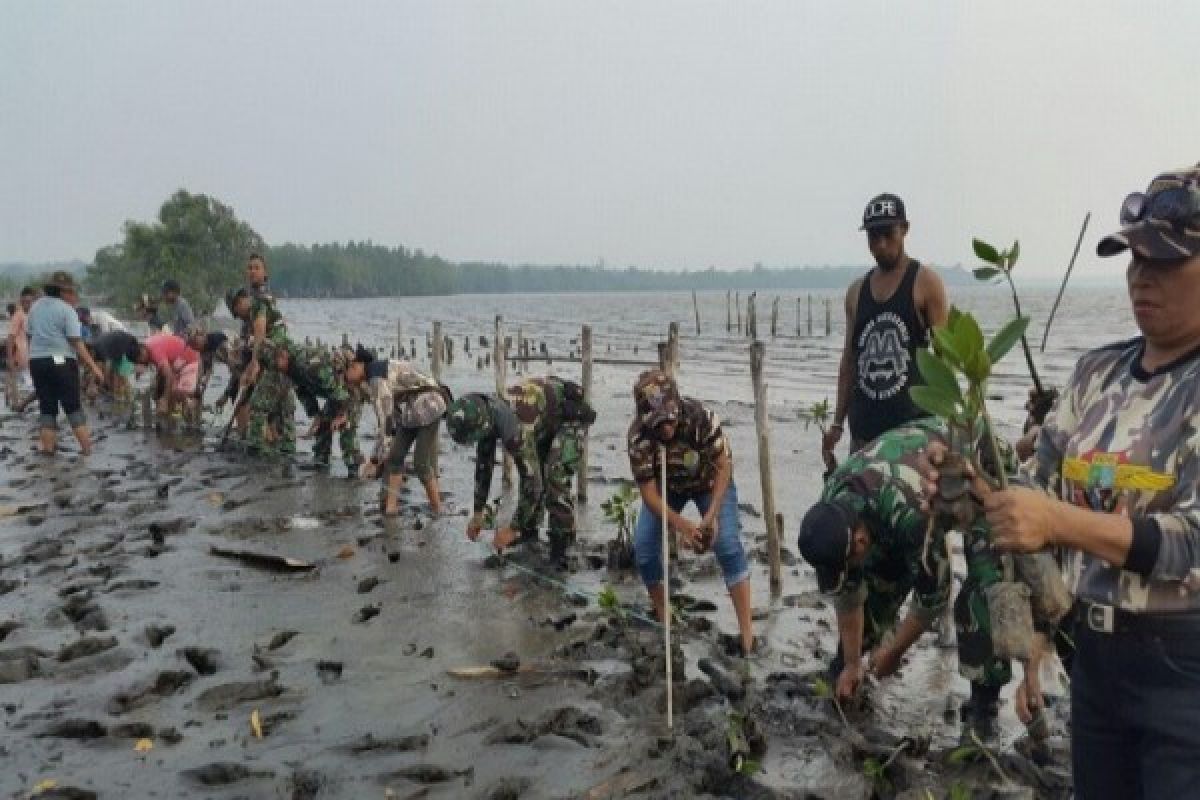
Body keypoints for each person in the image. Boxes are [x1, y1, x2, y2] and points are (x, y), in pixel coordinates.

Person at [921, 163, 1200, 798]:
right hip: (1095, 661)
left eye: (1165, 261)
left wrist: (1059, 522)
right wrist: (967, 485)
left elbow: (1192, 540)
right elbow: (1030, 490)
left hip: (1184, 668)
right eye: (1134, 258)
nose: (1140, 276)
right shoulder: (1096, 374)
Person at [799, 419, 1062, 737]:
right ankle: (852, 670)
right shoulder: (834, 504)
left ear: (860, 541)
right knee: (874, 585)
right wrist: (853, 661)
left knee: (982, 589)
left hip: (978, 469)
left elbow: (932, 598)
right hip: (910, 478)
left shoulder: (909, 515)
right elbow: (850, 591)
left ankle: (983, 706)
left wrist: (895, 653)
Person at [626, 370, 756, 656]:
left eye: (669, 419)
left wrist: (710, 518)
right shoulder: (639, 438)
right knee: (644, 549)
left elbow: (724, 465)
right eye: (657, 423)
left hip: (709, 483)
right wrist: (682, 525)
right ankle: (663, 614)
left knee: (727, 546)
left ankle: (748, 635)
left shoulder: (701, 419)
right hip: (668, 488)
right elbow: (649, 495)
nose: (666, 427)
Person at [824, 193, 949, 457]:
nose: (880, 244)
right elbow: (849, 360)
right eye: (873, 236)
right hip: (864, 431)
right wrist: (837, 423)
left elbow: (944, 360)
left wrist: (948, 423)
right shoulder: (857, 292)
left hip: (912, 431)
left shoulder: (926, 283)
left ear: (904, 229)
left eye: (887, 234)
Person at [445, 376, 595, 568]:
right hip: (544, 420)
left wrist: (512, 528)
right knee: (535, 470)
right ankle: (529, 533)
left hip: (570, 416)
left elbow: (534, 484)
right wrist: (478, 513)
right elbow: (484, 466)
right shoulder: (487, 415)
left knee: (554, 478)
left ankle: (561, 547)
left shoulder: (515, 426)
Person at [345, 347, 449, 515]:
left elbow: (385, 422)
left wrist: (374, 461)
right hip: (410, 411)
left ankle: (438, 509)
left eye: (348, 370)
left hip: (429, 406)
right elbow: (389, 421)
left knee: (421, 463)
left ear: (358, 366)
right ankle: (391, 509)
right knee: (395, 458)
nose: (346, 377)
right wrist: (378, 456)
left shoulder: (376, 379)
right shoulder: (374, 374)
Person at [25, 271, 104, 455]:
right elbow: (76, 342)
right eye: (70, 291)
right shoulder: (66, 310)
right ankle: (86, 451)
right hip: (60, 361)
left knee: (47, 407)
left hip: (37, 362)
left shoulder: (35, 307)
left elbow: (29, 335)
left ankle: (48, 451)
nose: (73, 295)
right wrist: (94, 367)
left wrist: (37, 353)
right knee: (72, 406)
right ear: (63, 291)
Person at [247, 340, 350, 463]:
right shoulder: (291, 369)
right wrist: (316, 414)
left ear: (285, 356)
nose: (276, 367)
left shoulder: (310, 365)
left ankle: (353, 465)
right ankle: (321, 461)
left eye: (278, 361)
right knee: (322, 424)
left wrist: (341, 415)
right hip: (330, 390)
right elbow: (303, 392)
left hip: (346, 389)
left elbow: (339, 393)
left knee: (344, 425)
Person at [136, 331, 201, 418]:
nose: (141, 362)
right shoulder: (147, 347)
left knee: (177, 391)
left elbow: (169, 375)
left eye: (140, 360)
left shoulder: (155, 351)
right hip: (177, 363)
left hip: (191, 361)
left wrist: (165, 399)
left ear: (142, 351)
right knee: (161, 389)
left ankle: (191, 417)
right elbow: (162, 374)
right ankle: (171, 414)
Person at [88, 329, 140, 400]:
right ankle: (119, 396)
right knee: (115, 375)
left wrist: (100, 384)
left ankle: (128, 398)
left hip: (126, 347)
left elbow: (104, 369)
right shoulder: (96, 347)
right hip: (118, 347)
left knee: (121, 376)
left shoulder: (99, 348)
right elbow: (97, 368)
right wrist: (93, 383)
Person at [6, 286, 35, 408]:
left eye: (29, 302)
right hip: (21, 356)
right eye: (24, 302)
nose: (27, 304)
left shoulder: (34, 314)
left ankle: (17, 403)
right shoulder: (18, 316)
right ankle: (16, 403)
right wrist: (10, 358)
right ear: (20, 301)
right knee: (20, 381)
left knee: (29, 382)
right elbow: (11, 337)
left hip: (32, 355)